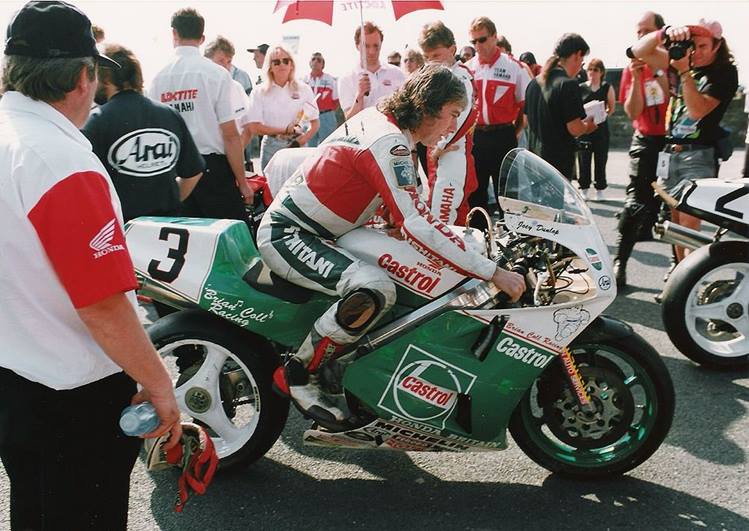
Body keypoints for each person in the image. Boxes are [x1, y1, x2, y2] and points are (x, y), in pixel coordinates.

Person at [258, 65, 525, 424]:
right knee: (376, 287)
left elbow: (388, 203)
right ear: (428, 108)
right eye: (451, 115)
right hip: (290, 233)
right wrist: (493, 272)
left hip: (327, 230)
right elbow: (416, 222)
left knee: (405, 268)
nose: (451, 126)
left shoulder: (388, 125)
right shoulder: (391, 142)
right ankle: (300, 373)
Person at [0, 2, 181, 529]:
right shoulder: (60, 158)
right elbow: (101, 304)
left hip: (16, 376)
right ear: (83, 77)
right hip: (71, 396)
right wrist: (160, 384)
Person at [629, 18, 738, 264]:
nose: (697, 53)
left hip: (697, 154)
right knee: (675, 225)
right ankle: (680, 277)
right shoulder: (679, 60)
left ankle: (691, 284)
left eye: (703, 47)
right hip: (670, 152)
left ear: (717, 46)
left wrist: (685, 72)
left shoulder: (724, 72)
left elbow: (698, 110)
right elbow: (639, 51)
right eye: (693, 45)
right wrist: (664, 33)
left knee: (690, 227)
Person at [149, 8, 252, 223]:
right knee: (230, 243)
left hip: (175, 170)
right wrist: (242, 182)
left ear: (174, 34)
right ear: (202, 38)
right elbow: (230, 135)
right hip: (213, 170)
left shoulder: (158, 78)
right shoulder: (216, 74)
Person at [83, 43, 204, 222]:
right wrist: (171, 201)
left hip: (124, 230)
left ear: (106, 78)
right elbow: (194, 172)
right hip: (169, 228)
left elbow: (84, 187)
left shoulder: (96, 120)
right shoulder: (169, 114)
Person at [613, 11, 668, 289]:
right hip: (645, 140)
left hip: (673, 143)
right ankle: (620, 262)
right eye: (637, 32)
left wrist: (656, 72)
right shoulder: (631, 67)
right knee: (635, 203)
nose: (639, 38)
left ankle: (677, 270)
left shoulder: (672, 61)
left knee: (675, 209)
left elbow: (671, 100)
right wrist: (636, 78)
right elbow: (632, 111)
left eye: (645, 32)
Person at [465, 16, 530, 229]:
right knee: (476, 194)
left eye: (482, 39)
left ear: (494, 37)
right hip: (476, 137)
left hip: (503, 135)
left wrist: (516, 132)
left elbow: (525, 107)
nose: (478, 46)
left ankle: (512, 241)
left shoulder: (514, 67)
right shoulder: (468, 68)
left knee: (507, 194)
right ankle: (478, 241)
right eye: (473, 41)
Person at [418, 20, 478, 226]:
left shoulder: (461, 77)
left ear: (452, 49)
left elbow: (460, 117)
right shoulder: (438, 77)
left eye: (436, 55)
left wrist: (440, 146)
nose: (431, 62)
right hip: (438, 150)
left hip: (453, 151)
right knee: (439, 207)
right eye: (427, 58)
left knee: (444, 218)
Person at [525, 33, 597, 181]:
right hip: (557, 164)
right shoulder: (568, 84)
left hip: (534, 161)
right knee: (554, 204)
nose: (580, 67)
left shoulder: (533, 83)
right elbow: (575, 128)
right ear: (577, 55)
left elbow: (526, 120)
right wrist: (587, 127)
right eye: (582, 61)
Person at [247, 45, 320, 172]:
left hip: (298, 147)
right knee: (272, 190)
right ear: (270, 67)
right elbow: (254, 127)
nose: (282, 65)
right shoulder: (259, 92)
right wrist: (285, 129)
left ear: (292, 64)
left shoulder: (304, 89)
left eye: (286, 61)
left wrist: (300, 141)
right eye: (276, 62)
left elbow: (315, 123)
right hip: (272, 147)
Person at [338, 21, 406, 120]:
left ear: (381, 44)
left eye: (376, 46)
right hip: (364, 134)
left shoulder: (397, 73)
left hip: (393, 132)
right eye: (366, 46)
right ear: (357, 45)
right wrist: (360, 95)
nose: (372, 51)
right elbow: (349, 119)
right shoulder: (346, 79)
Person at [205, 36, 254, 164]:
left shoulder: (236, 87)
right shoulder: (198, 87)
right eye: (221, 61)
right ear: (207, 60)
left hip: (231, 158)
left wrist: (235, 153)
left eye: (229, 61)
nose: (226, 66)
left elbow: (248, 127)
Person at [577, 58, 616, 199]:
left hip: (601, 128)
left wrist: (603, 115)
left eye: (595, 70)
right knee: (584, 158)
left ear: (601, 72)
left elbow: (611, 107)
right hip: (585, 128)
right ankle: (584, 187)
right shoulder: (581, 87)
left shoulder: (607, 87)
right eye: (590, 70)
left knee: (601, 158)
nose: (592, 73)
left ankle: (600, 189)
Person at [304, 51, 340, 147]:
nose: (316, 62)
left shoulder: (330, 79)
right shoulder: (303, 80)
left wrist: (326, 111)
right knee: (308, 148)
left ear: (323, 64)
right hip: (308, 118)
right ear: (310, 63)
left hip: (326, 117)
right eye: (313, 59)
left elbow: (336, 101)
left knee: (327, 147)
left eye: (319, 60)